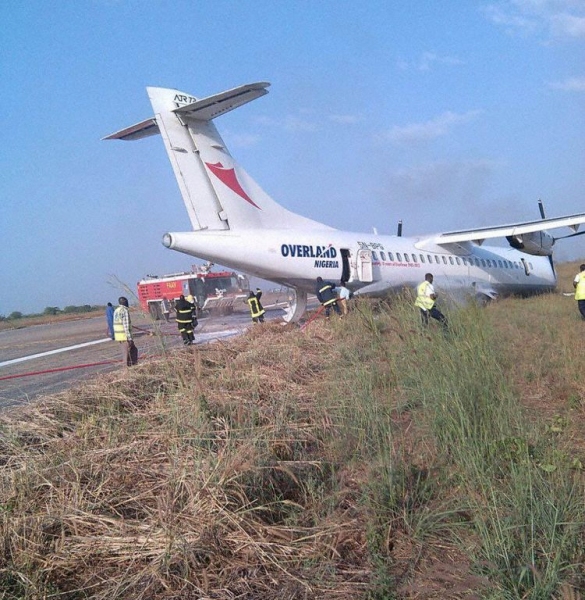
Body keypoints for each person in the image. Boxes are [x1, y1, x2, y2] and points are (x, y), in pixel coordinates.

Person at [113, 297, 138, 366]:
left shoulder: (116, 310)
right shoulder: (124, 310)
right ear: (124, 302)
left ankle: (131, 367)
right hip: (125, 337)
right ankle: (129, 369)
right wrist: (129, 339)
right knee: (128, 355)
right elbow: (126, 326)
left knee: (127, 353)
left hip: (119, 337)